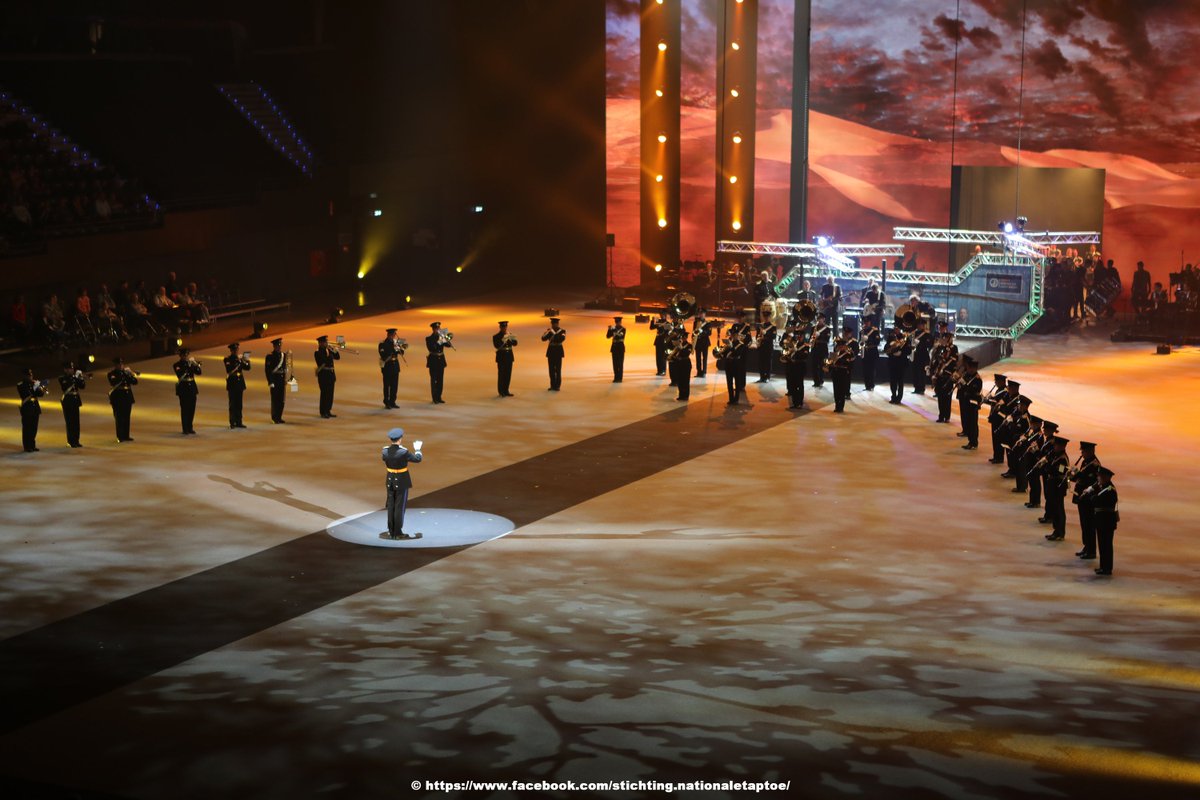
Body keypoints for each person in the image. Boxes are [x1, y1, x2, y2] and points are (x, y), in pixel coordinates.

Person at [380, 427, 424, 540]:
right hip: (401, 480)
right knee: (399, 507)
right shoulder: (403, 452)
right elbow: (417, 459)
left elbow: (385, 459)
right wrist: (418, 449)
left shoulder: (384, 450)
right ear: (400, 439)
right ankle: (398, 532)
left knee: (391, 506)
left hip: (390, 480)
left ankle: (391, 531)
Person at [1071, 441, 1102, 560]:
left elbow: (1093, 482)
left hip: (1089, 500)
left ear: (1091, 451)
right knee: (1084, 524)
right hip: (1082, 498)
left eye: (1083, 451)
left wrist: (1077, 476)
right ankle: (1086, 546)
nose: (1082, 453)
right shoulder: (1086, 461)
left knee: (1089, 525)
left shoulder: (1095, 465)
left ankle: (1091, 550)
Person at [1091, 467, 1119, 576]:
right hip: (1102, 520)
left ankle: (1107, 568)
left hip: (1106, 521)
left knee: (1106, 545)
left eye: (1100, 476)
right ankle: (1103, 566)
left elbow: (1096, 500)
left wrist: (1093, 496)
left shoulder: (1109, 490)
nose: (1098, 478)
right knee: (1102, 545)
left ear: (1106, 477)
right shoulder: (1103, 487)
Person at [1043, 436, 1071, 541]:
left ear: (1061, 446)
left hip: (1058, 486)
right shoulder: (1056, 455)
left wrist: (1049, 468)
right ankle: (1056, 530)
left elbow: (1060, 471)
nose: (1054, 446)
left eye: (1056, 445)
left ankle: (1060, 532)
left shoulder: (1062, 458)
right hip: (1053, 485)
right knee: (1055, 508)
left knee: (1059, 509)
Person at [107, 357, 138, 442]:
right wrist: (125, 374)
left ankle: (126, 435)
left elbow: (135, 382)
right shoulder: (111, 374)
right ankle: (120, 436)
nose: (121, 366)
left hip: (127, 397)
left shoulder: (126, 373)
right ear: (115, 365)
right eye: (119, 364)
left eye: (122, 364)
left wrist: (130, 373)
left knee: (127, 417)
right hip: (118, 397)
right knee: (119, 417)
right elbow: (114, 382)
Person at [173, 347, 201, 435]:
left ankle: (190, 427)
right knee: (185, 408)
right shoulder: (176, 365)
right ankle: (185, 428)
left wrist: (195, 365)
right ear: (180, 356)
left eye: (186, 355)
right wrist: (189, 366)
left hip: (192, 388)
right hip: (183, 388)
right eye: (184, 355)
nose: (185, 357)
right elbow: (180, 374)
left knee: (192, 408)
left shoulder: (190, 364)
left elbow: (199, 372)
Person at [725, 309, 751, 405]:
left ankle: (742, 385)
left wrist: (742, 345)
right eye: (739, 317)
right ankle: (737, 387)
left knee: (742, 368)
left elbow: (749, 340)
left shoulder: (747, 327)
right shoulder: (734, 326)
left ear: (744, 318)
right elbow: (731, 337)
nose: (740, 319)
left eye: (742, 317)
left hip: (742, 350)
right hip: (734, 348)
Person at [829, 325, 857, 413]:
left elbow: (853, 356)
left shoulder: (852, 346)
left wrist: (848, 351)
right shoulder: (838, 345)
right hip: (836, 368)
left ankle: (841, 406)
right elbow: (833, 356)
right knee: (836, 389)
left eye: (847, 333)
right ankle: (837, 405)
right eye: (844, 333)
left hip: (844, 369)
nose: (845, 334)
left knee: (842, 388)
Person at [58, 361, 87, 447]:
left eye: (72, 368)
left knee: (76, 422)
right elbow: (66, 386)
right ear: (65, 370)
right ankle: (70, 441)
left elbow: (82, 386)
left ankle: (76, 440)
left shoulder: (74, 378)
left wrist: (80, 378)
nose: (72, 370)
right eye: (70, 369)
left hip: (75, 400)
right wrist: (76, 377)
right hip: (68, 401)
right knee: (70, 422)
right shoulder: (62, 378)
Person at [957, 356, 983, 450]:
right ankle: (970, 440)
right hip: (966, 402)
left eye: (972, 368)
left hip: (973, 404)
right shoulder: (967, 376)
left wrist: (964, 385)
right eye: (969, 368)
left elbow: (973, 390)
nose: (970, 370)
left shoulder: (977, 379)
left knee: (973, 423)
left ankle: (974, 442)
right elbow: (963, 388)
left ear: (975, 369)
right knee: (967, 421)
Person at [17, 368, 46, 452]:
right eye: (29, 375)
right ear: (25, 376)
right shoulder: (20, 385)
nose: (31, 376)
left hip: (35, 407)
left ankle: (32, 445)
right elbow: (25, 394)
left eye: (31, 375)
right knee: (27, 428)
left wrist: (38, 388)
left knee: (34, 427)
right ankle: (27, 446)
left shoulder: (33, 383)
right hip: (27, 408)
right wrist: (34, 387)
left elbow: (41, 394)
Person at [983, 374, 1010, 463]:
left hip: (1000, 419)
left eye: (997, 381)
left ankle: (999, 457)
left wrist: (990, 400)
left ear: (1002, 382)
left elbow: (1000, 404)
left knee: (999, 438)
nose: (995, 383)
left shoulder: (1005, 392)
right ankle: (996, 455)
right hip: (995, 417)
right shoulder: (999, 390)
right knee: (995, 438)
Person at [224, 342, 251, 428]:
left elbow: (248, 368)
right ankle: (232, 422)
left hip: (239, 383)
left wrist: (246, 360)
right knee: (232, 404)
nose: (236, 351)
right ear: (231, 351)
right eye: (234, 350)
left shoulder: (239, 359)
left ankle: (239, 421)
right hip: (232, 383)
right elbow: (229, 369)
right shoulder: (227, 359)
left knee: (239, 404)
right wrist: (239, 361)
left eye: (237, 350)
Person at [783, 326, 810, 409]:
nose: (799, 338)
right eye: (797, 336)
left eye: (800, 336)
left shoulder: (805, 346)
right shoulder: (792, 344)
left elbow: (805, 356)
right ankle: (794, 402)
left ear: (803, 337)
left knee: (800, 385)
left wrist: (796, 351)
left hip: (800, 367)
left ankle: (800, 402)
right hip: (792, 367)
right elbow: (787, 354)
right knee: (793, 385)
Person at [314, 335, 340, 417]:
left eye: (326, 342)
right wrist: (330, 355)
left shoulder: (328, 350)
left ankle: (328, 410)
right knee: (324, 394)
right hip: (323, 375)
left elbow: (337, 357)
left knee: (330, 394)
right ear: (320, 343)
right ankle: (323, 412)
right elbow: (323, 362)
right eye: (325, 342)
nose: (326, 343)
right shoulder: (317, 352)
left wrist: (335, 351)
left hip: (331, 374)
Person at [884, 326, 910, 404]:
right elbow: (886, 349)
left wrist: (901, 353)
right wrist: (892, 351)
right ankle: (893, 396)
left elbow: (908, 350)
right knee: (893, 381)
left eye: (897, 328)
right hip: (892, 362)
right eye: (895, 328)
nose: (896, 330)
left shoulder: (905, 337)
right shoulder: (891, 337)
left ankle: (899, 398)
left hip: (901, 362)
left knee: (900, 381)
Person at [264, 338, 288, 423]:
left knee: (281, 400)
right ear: (274, 346)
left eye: (280, 345)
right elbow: (267, 370)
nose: (279, 347)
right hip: (275, 380)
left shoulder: (283, 355)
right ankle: (275, 417)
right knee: (275, 400)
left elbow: (284, 368)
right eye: (277, 345)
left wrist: (285, 379)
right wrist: (270, 381)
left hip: (281, 380)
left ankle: (279, 416)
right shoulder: (270, 357)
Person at [378, 328, 402, 408]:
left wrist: (401, 347)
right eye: (392, 335)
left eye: (394, 335)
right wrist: (393, 349)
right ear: (388, 335)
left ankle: (393, 401)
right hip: (387, 367)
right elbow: (383, 356)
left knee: (394, 385)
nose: (393, 336)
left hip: (395, 366)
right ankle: (387, 402)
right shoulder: (383, 344)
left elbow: (402, 353)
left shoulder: (395, 343)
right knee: (387, 385)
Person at [668, 323, 693, 401]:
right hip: (679, 364)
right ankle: (681, 394)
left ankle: (685, 395)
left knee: (685, 380)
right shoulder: (678, 345)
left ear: (686, 338)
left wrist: (681, 348)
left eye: (684, 338)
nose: (682, 339)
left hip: (686, 364)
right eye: (682, 338)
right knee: (679, 380)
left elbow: (687, 353)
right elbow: (676, 354)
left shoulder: (689, 345)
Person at [425, 322, 448, 404]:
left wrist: (446, 338)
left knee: (440, 380)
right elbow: (431, 348)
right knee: (434, 380)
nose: (438, 330)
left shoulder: (441, 337)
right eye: (436, 329)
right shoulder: (428, 338)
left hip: (441, 361)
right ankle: (434, 398)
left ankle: (439, 397)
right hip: (433, 361)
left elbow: (447, 345)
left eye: (439, 328)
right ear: (433, 329)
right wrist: (439, 341)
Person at [541, 317, 566, 390]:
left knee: (558, 370)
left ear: (557, 324)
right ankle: (552, 385)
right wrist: (547, 333)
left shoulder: (562, 331)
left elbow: (560, 339)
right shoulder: (550, 331)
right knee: (551, 370)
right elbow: (543, 339)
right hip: (551, 352)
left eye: (554, 324)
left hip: (558, 352)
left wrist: (553, 333)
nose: (553, 325)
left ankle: (557, 386)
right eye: (552, 324)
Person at [493, 321, 517, 397]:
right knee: (501, 375)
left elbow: (515, 343)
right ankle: (501, 391)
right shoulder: (496, 336)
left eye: (505, 327)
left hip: (509, 357)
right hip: (501, 357)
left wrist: (510, 338)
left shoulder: (510, 334)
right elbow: (497, 346)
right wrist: (503, 339)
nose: (504, 328)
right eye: (503, 327)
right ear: (500, 327)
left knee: (508, 374)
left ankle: (506, 390)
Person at [911, 320, 933, 395]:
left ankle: (921, 388)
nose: (920, 326)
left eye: (921, 325)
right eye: (919, 324)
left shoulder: (927, 334)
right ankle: (916, 387)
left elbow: (929, 344)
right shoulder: (914, 333)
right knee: (915, 372)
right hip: (915, 355)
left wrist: (920, 344)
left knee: (921, 373)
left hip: (923, 355)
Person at [859, 317, 881, 392]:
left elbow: (877, 341)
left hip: (872, 351)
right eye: (865, 322)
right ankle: (867, 385)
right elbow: (860, 341)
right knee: (865, 370)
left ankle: (871, 384)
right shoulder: (862, 331)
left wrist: (868, 340)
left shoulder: (875, 330)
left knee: (871, 369)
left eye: (867, 322)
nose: (866, 323)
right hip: (865, 352)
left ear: (870, 322)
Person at [809, 317, 830, 389]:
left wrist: (819, 337)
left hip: (823, 349)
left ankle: (821, 380)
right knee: (814, 365)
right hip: (815, 348)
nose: (819, 320)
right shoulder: (813, 328)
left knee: (822, 365)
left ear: (824, 319)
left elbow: (827, 340)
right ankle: (816, 381)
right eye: (818, 319)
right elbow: (810, 338)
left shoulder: (827, 329)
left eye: (820, 319)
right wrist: (812, 339)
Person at [755, 315, 777, 382]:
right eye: (765, 317)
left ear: (770, 318)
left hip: (768, 346)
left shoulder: (773, 327)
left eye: (767, 317)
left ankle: (767, 377)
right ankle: (762, 377)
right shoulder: (761, 326)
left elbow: (773, 336)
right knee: (761, 362)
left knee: (768, 362)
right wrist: (758, 338)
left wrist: (766, 334)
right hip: (761, 346)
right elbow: (757, 335)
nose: (766, 318)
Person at [649, 311, 670, 377]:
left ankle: (663, 370)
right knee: (658, 356)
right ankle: (659, 370)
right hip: (658, 340)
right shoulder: (658, 321)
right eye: (661, 314)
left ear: (666, 315)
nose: (662, 315)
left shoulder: (667, 323)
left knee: (663, 356)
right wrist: (652, 320)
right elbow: (651, 328)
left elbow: (668, 333)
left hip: (664, 341)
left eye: (663, 314)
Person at [606, 316, 626, 382]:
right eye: (616, 322)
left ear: (620, 322)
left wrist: (613, 330)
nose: (617, 323)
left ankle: (620, 378)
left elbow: (620, 336)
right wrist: (609, 329)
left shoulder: (623, 329)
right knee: (615, 363)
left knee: (620, 363)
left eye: (618, 322)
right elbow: (608, 336)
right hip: (614, 347)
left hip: (620, 347)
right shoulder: (613, 328)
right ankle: (615, 377)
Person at [692, 313, 711, 378]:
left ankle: (704, 372)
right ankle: (699, 371)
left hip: (705, 342)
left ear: (705, 315)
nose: (701, 315)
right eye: (700, 314)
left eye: (702, 314)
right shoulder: (696, 322)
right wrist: (693, 340)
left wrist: (702, 331)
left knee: (704, 358)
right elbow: (693, 331)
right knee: (698, 358)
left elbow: (709, 333)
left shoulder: (707, 323)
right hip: (698, 342)